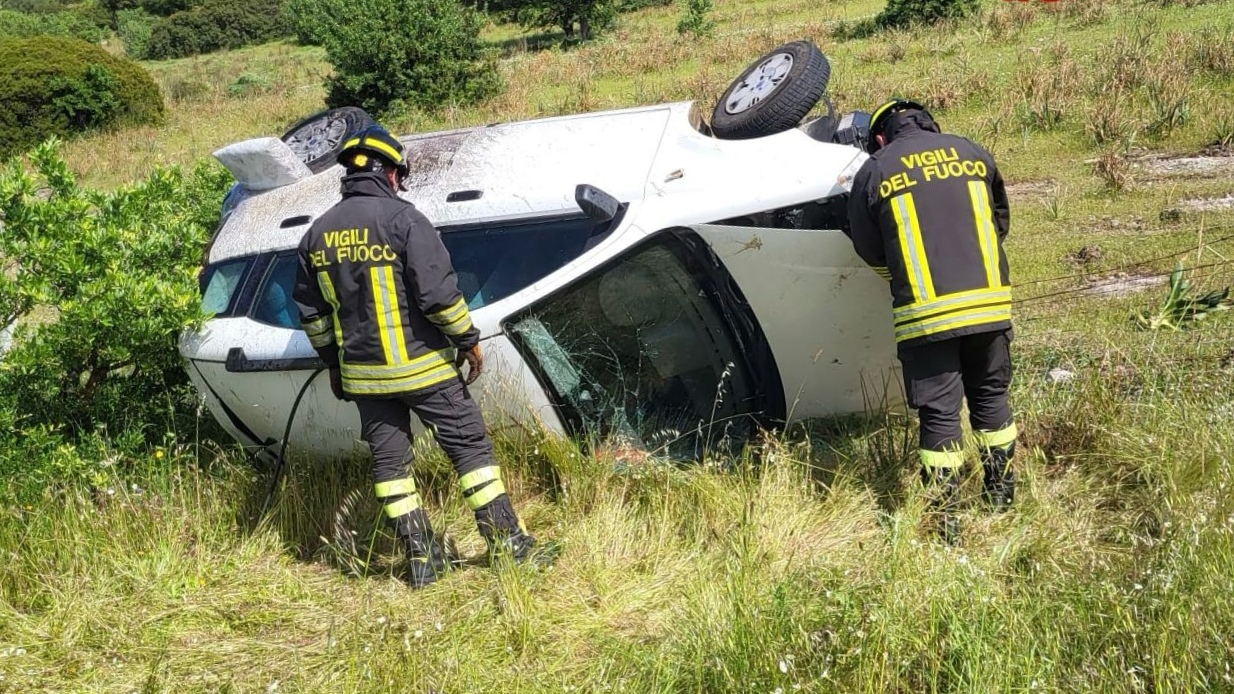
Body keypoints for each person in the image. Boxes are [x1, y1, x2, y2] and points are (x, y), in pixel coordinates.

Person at [292, 124, 541, 587]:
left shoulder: (316, 236)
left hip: (365, 381)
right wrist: (467, 339)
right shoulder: (405, 222)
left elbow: (313, 315)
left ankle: (421, 558)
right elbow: (439, 297)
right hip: (424, 368)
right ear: (389, 174)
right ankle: (508, 542)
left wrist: (333, 365)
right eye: (400, 176)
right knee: (470, 449)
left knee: (390, 466)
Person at [845, 99, 1018, 543]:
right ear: (930, 124)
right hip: (991, 306)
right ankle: (1000, 497)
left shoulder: (876, 170)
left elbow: (867, 248)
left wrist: (903, 276)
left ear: (879, 138)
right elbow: (1000, 222)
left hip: (927, 315)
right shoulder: (972, 153)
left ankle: (947, 521)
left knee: (941, 415)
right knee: (991, 399)